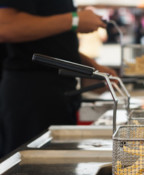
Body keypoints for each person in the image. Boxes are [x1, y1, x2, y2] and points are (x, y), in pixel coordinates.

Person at [0, 0, 117, 157]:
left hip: (56, 93)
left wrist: (93, 69)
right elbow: (5, 26)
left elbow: (51, 45)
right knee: (31, 174)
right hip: (32, 96)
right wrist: (74, 20)